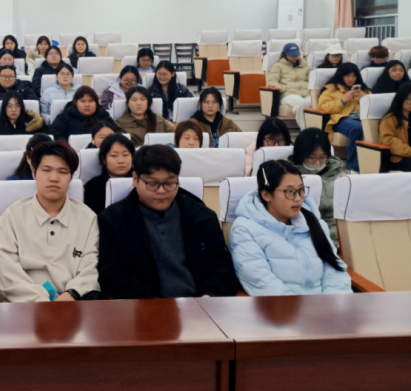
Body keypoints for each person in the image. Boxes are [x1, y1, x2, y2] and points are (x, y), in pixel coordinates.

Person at [98, 145, 238, 299]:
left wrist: (209, 296)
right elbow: (111, 272)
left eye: (170, 183)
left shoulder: (202, 217)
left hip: (201, 304)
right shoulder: (113, 220)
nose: (161, 191)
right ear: (135, 179)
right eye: (152, 183)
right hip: (145, 306)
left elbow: (222, 265)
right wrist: (153, 303)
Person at [0, 140, 100, 302]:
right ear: (34, 172)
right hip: (25, 306)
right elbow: (10, 276)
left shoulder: (87, 218)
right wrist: (43, 302)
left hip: (73, 304)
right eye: (46, 170)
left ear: (71, 177)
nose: (54, 178)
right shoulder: (11, 217)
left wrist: (70, 295)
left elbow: (90, 270)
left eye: (62, 171)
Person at [230, 160, 351, 296]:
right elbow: (262, 283)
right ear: (266, 195)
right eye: (289, 191)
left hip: (325, 306)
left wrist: (336, 303)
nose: (298, 198)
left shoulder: (314, 223)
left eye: (301, 190)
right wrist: (304, 309)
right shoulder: (245, 230)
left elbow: (334, 268)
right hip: (280, 307)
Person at [288, 128, 346, 245]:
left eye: (322, 157)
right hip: (304, 232)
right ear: (301, 154)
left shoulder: (340, 175)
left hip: (337, 233)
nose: (318, 162)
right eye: (312, 157)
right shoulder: (288, 175)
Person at [318, 62, 370, 172]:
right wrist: (343, 100)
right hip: (340, 119)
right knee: (357, 128)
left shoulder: (364, 90)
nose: (351, 79)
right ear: (341, 76)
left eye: (354, 76)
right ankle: (352, 168)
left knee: (376, 126)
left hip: (362, 118)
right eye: (347, 76)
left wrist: (365, 98)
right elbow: (323, 107)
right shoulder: (331, 89)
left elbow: (374, 107)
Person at [83, 133, 134, 215]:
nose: (121, 160)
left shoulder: (142, 182)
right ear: (104, 159)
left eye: (125, 155)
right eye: (114, 155)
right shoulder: (92, 187)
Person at [267, 42, 311, 130]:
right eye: (292, 55)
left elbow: (312, 81)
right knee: (303, 103)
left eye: (296, 55)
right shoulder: (278, 66)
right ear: (285, 55)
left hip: (305, 93)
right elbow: (272, 82)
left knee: (315, 103)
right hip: (287, 94)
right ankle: (305, 131)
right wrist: (285, 88)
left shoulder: (306, 66)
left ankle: (317, 130)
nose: (295, 57)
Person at [149, 61, 193, 128]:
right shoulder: (150, 91)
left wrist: (179, 122)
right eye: (159, 74)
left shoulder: (182, 89)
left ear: (172, 74)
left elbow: (191, 105)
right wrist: (166, 121)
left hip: (180, 122)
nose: (162, 77)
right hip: (159, 123)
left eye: (165, 74)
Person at [379, 83, 411, 172]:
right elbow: (389, 141)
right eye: (408, 99)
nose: (410, 102)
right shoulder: (389, 119)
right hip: (398, 158)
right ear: (401, 98)